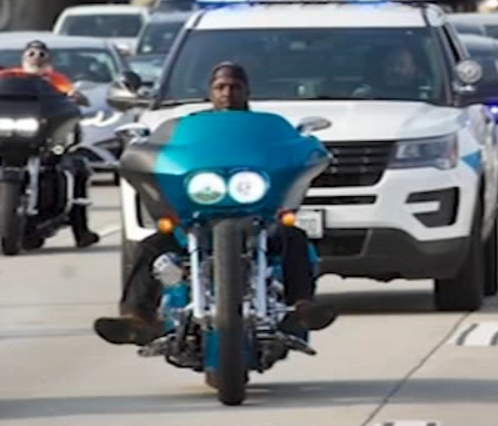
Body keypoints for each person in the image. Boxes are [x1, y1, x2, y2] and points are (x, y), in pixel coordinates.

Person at [93, 63, 336, 347]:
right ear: (210, 92)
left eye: (235, 86)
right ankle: (138, 317)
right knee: (151, 246)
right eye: (221, 87)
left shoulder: (266, 129)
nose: (228, 93)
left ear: (247, 91)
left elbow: (289, 147)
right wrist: (142, 149)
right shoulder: (191, 127)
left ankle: (302, 307)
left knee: (293, 238)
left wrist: (306, 147)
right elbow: (166, 149)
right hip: (197, 213)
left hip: (257, 214)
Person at [0, 42, 98, 248]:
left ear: (48, 58)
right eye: (31, 53)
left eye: (41, 53)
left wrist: (74, 98)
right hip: (10, 132)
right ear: (23, 56)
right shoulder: (9, 76)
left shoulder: (55, 80)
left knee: (75, 166)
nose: (36, 57)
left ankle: (82, 230)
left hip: (42, 134)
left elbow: (71, 96)